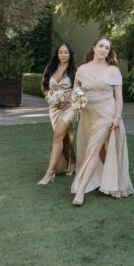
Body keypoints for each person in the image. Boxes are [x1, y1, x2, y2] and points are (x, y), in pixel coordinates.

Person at [71, 37, 134, 206]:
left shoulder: (113, 70)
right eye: (101, 46)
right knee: (85, 149)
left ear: (109, 52)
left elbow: (119, 97)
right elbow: (74, 94)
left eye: (107, 48)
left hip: (107, 113)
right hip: (88, 114)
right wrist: (79, 95)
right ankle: (103, 179)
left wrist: (117, 117)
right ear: (94, 47)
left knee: (94, 149)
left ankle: (81, 190)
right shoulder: (82, 69)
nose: (103, 49)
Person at [37, 42, 77, 185]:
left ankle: (50, 173)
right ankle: (71, 163)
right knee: (63, 136)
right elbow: (44, 86)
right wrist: (49, 95)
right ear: (57, 53)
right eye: (60, 52)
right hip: (54, 107)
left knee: (59, 135)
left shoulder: (74, 70)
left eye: (66, 52)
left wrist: (69, 97)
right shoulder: (51, 67)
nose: (63, 54)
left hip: (69, 106)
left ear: (70, 54)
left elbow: (78, 88)